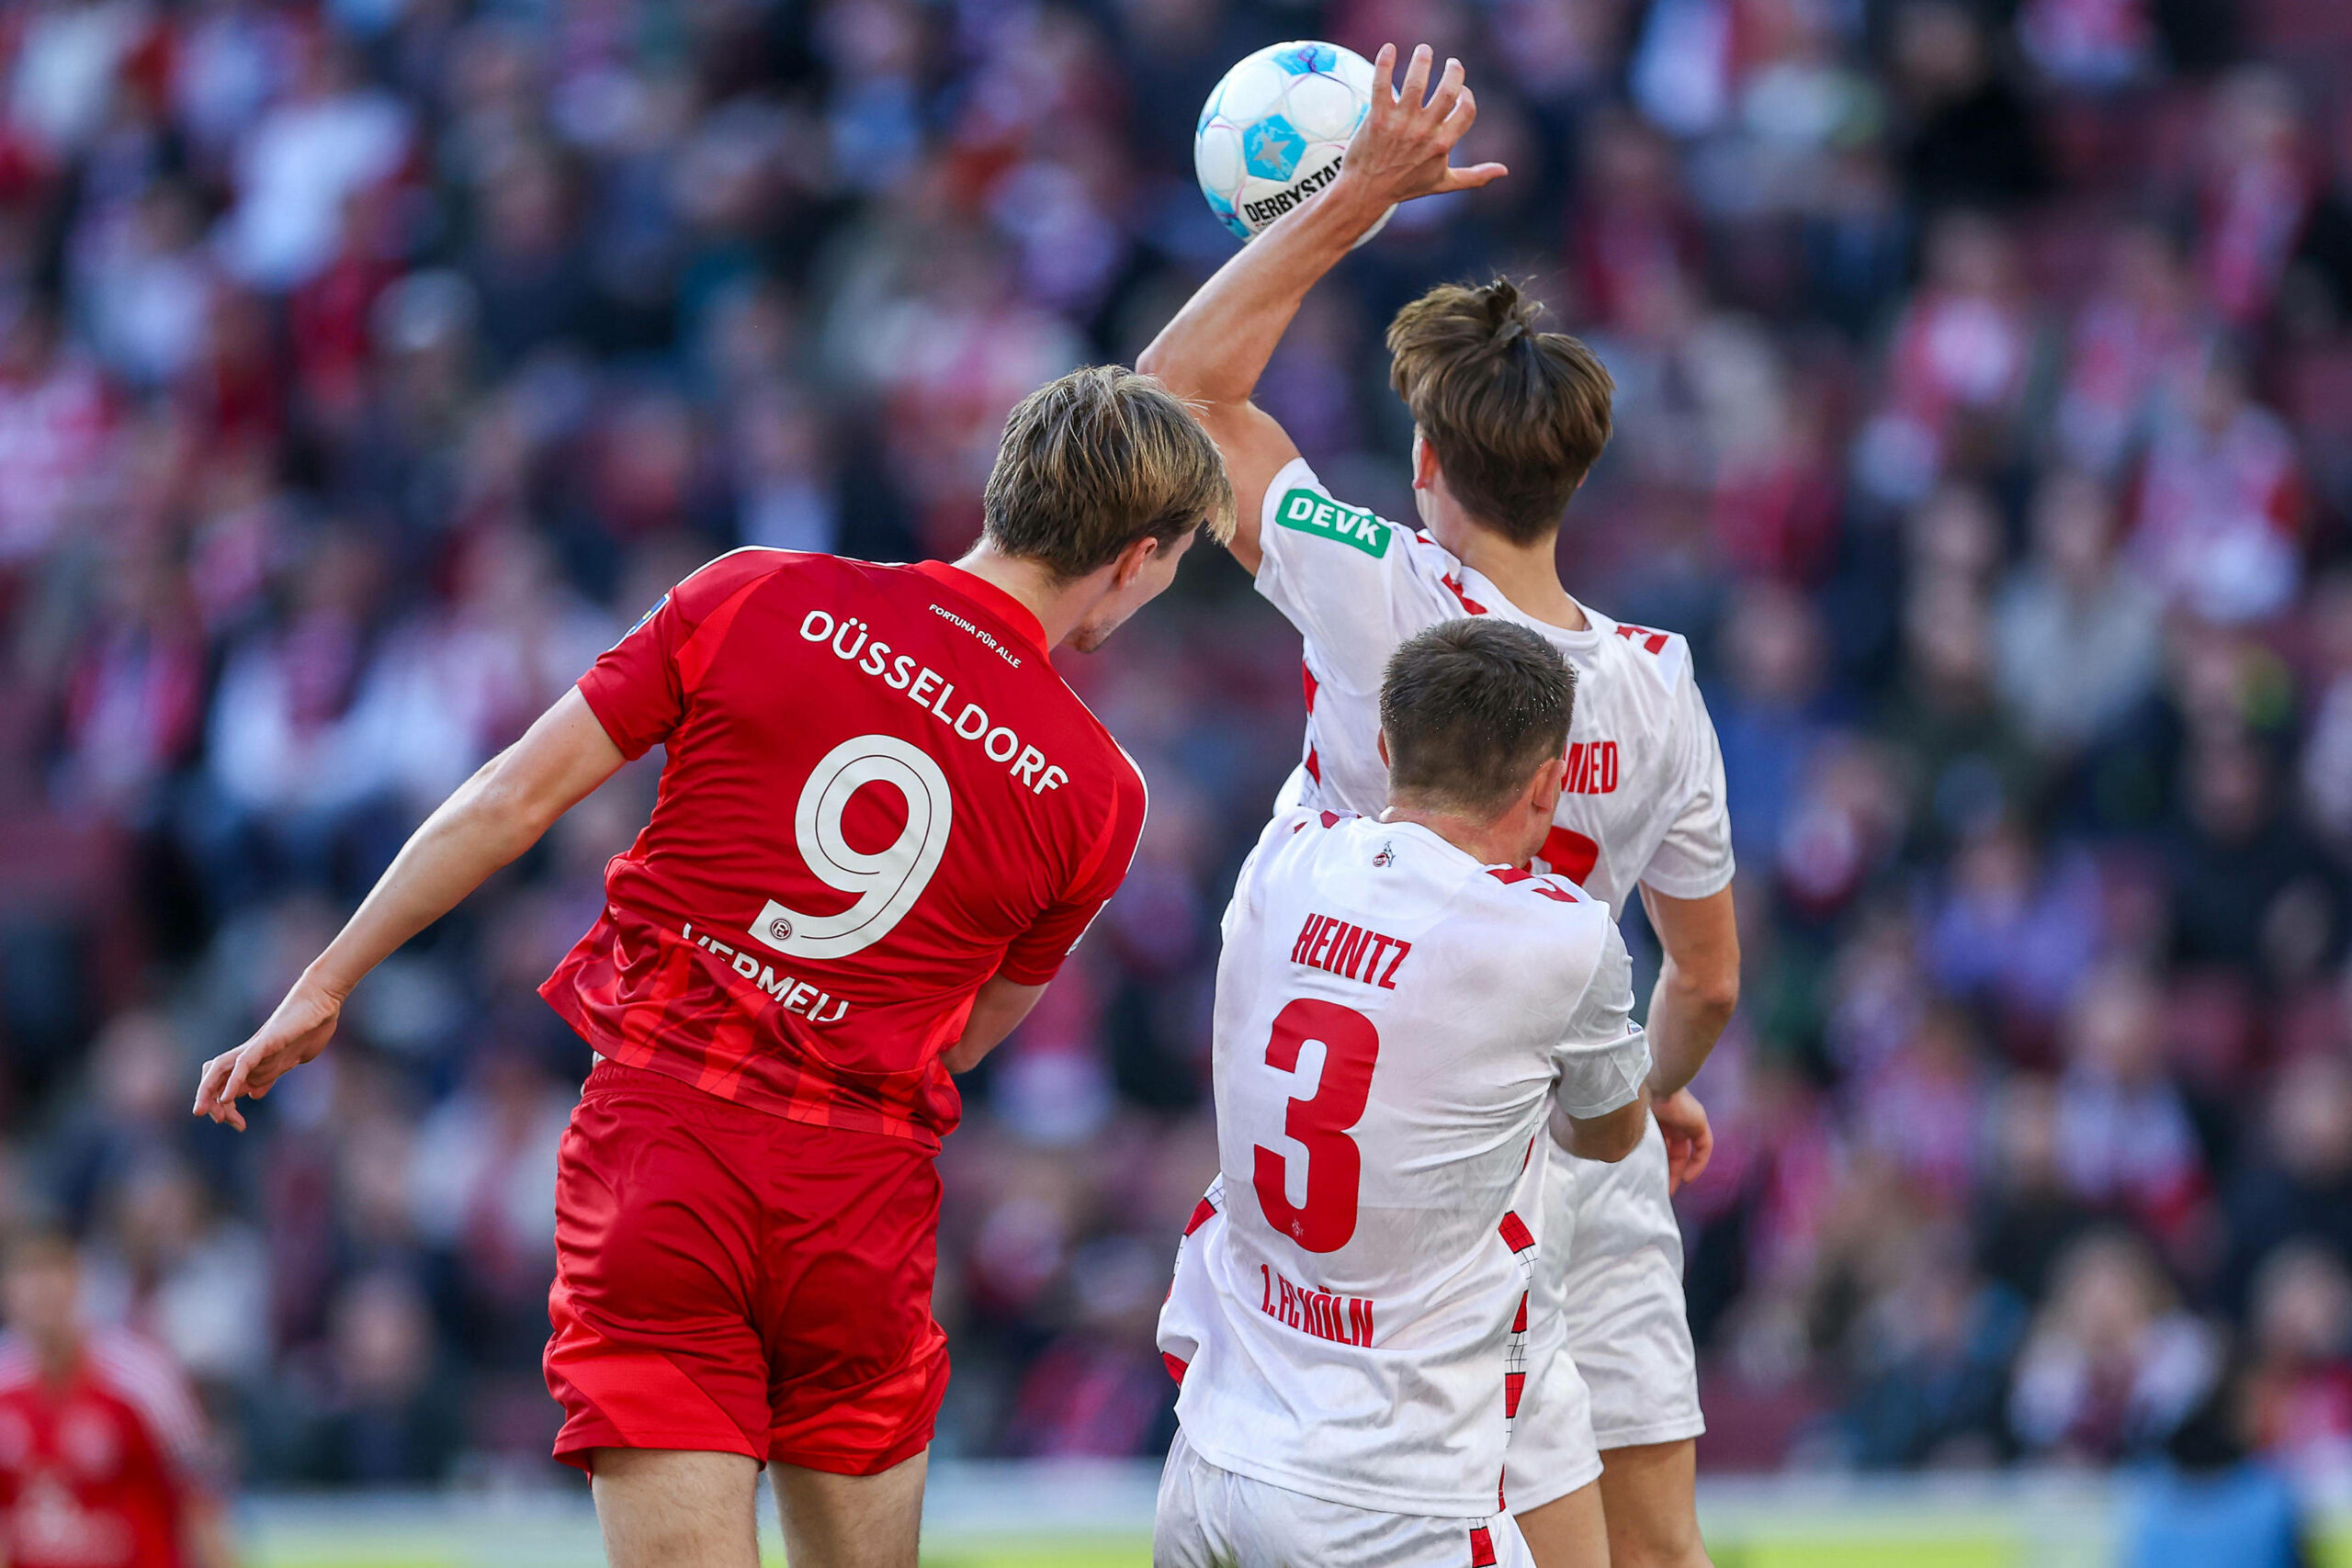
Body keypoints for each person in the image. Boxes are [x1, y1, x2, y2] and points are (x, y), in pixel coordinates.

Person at [191, 366, 1234, 1568]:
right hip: (856, 1202)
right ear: (1140, 556)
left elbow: (511, 795)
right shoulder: (1102, 793)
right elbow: (971, 1028)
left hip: (664, 1157)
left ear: (1003, 489)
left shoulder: (757, 591)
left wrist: (328, 976)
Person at [1139, 44, 1739, 1568]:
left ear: (1423, 461)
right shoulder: (1663, 684)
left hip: (1396, 1166)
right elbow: (1712, 976)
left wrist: (1350, 201)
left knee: (1352, 1496)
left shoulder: (1384, 587)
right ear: (1579, 476)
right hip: (1566, 1139)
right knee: (1656, 1545)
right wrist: (1630, 1087)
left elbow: (1172, 397)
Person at [1156, 618, 1652, 1568]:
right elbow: (1606, 1134)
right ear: (1551, 780)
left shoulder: (1280, 859)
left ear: (1387, 751)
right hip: (1391, 1499)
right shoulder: (1560, 942)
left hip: (1214, 1458)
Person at [0, 1233, 235, 1568]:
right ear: (8, 1291)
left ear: (77, 1280)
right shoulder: (4, 1384)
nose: (40, 1291)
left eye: (51, 1272)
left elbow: (202, 1501)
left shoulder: (143, 1377)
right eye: (25, 1276)